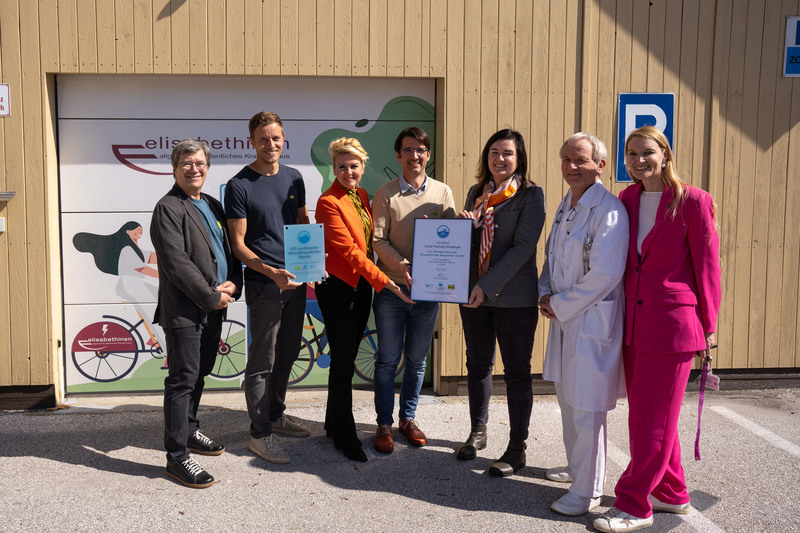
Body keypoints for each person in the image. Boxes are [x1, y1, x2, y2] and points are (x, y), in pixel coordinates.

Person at [593, 126, 721, 532]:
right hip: (633, 324)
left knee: (651, 421)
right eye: (631, 153)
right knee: (652, 417)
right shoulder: (627, 199)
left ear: (665, 155)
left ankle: (634, 504)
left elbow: (708, 266)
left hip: (674, 327)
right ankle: (672, 493)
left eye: (647, 152)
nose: (638, 160)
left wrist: (709, 326)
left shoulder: (693, 201)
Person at [537, 133, 628, 515]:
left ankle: (588, 491)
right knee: (567, 399)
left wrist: (559, 303)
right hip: (564, 317)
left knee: (587, 407)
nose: (571, 167)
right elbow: (553, 254)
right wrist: (544, 290)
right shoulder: (568, 204)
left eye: (580, 160)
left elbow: (605, 274)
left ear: (600, 165)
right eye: (565, 159)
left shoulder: (609, 210)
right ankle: (578, 471)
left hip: (589, 320)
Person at [314, 137, 414, 462]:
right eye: (341, 166)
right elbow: (351, 252)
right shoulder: (328, 202)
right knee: (344, 364)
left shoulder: (362, 196)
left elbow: (374, 239)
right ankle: (345, 436)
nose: (348, 172)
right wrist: (387, 283)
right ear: (334, 168)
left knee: (345, 359)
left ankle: (332, 423)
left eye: (353, 166)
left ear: (362, 166)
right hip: (339, 288)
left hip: (360, 287)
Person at [150, 139, 242, 488]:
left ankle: (189, 431)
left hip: (215, 305)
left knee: (200, 373)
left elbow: (228, 253)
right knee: (181, 380)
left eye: (200, 162)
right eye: (186, 163)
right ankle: (176, 457)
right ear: (175, 168)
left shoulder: (213, 205)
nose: (194, 168)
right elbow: (176, 264)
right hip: (187, 310)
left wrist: (234, 282)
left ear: (207, 166)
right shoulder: (168, 208)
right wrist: (209, 296)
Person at [456, 129, 545, 476]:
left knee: (517, 373)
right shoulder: (477, 194)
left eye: (507, 153)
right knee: (477, 365)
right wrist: (463, 226)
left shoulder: (530, 195)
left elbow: (523, 249)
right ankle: (478, 432)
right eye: (494, 152)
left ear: (518, 158)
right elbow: (469, 245)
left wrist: (486, 285)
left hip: (514, 299)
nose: (499, 159)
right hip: (475, 296)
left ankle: (516, 447)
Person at [225, 111, 312, 466]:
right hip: (265, 285)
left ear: (283, 138)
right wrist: (270, 271)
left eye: (276, 138)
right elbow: (239, 244)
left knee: (288, 352)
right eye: (263, 139)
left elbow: (303, 223)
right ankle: (259, 435)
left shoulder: (294, 177)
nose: (270, 145)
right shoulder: (239, 185)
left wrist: (312, 261)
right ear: (252, 142)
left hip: (296, 283)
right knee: (263, 360)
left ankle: (276, 415)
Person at [371, 127, 456, 453]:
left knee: (418, 361)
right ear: (398, 155)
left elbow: (451, 239)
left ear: (428, 154)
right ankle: (383, 423)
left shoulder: (442, 192)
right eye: (408, 150)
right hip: (393, 289)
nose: (414, 155)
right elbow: (378, 240)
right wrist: (403, 264)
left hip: (429, 292)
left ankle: (408, 419)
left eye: (420, 150)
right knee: (387, 361)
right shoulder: (385, 194)